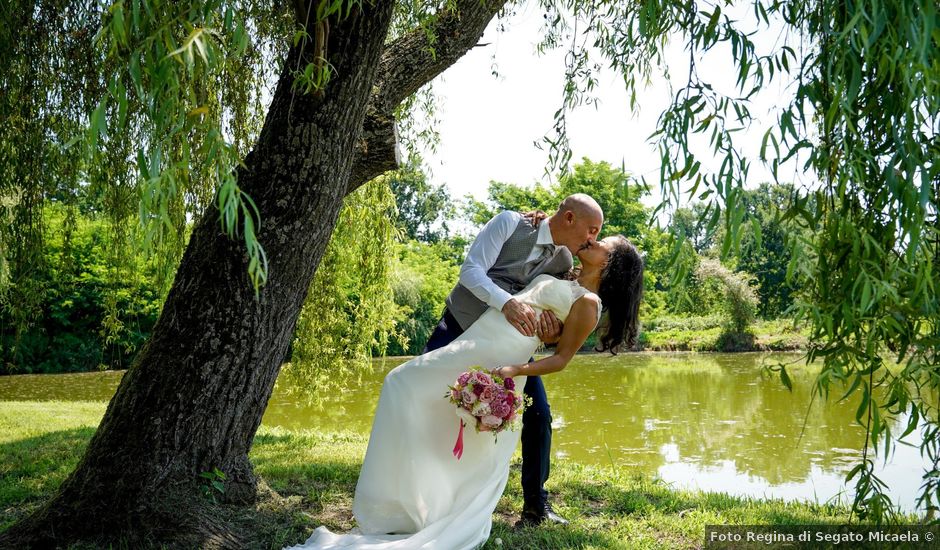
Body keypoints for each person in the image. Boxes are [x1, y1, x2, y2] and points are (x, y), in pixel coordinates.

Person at [286, 235, 644, 550]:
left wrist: (519, 368)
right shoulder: (566, 269)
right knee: (404, 385)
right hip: (478, 338)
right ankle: (405, 501)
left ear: (611, 263)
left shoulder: (590, 304)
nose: (592, 241)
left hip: (502, 356)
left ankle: (455, 508)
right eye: (594, 236)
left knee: (461, 432)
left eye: (601, 244)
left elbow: (562, 357)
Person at [424, 194, 603, 527]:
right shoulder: (509, 223)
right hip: (459, 327)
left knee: (539, 416)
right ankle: (423, 493)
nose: (592, 238)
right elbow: (471, 271)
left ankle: (536, 505)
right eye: (591, 229)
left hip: (510, 349)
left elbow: (553, 314)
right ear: (568, 218)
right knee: (423, 398)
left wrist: (551, 334)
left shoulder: (564, 263)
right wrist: (506, 303)